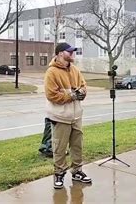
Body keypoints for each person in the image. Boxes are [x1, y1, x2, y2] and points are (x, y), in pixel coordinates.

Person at [44, 42, 91, 189]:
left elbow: (83, 86)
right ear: (59, 54)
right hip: (60, 117)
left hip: (76, 116)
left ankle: (77, 171)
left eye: (73, 52)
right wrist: (72, 96)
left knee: (77, 146)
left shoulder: (75, 70)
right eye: (69, 52)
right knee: (60, 147)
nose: (72, 54)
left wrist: (82, 93)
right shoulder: (51, 72)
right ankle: (59, 173)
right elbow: (51, 95)